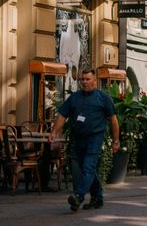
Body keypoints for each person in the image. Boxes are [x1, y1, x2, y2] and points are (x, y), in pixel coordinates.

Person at [49, 69, 119, 212]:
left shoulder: (103, 98)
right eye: (83, 80)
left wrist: (116, 141)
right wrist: (54, 132)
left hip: (95, 138)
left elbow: (113, 120)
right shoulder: (74, 98)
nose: (85, 82)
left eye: (88, 79)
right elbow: (62, 115)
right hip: (78, 138)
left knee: (88, 167)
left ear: (95, 81)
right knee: (87, 169)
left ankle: (78, 196)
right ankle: (97, 198)